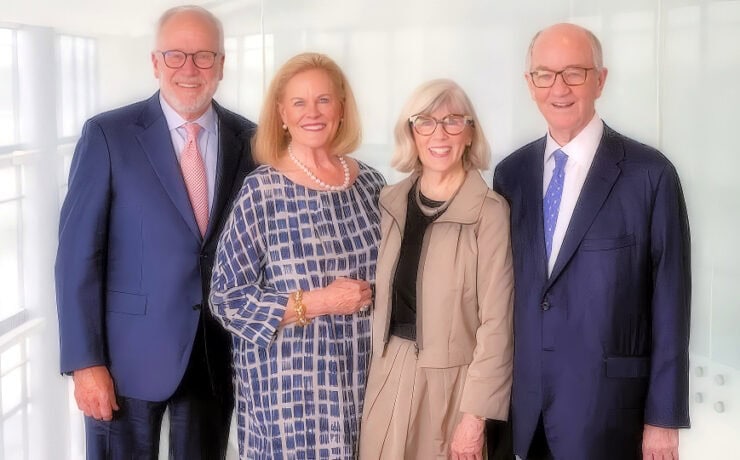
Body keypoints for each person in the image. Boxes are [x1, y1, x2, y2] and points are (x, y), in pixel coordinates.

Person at [55, 5, 256, 458]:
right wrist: (85, 362)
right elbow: (76, 258)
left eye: (204, 56)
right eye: (175, 55)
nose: (189, 68)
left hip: (215, 357)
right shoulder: (108, 135)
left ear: (221, 64)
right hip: (125, 362)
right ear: (154, 62)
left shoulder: (251, 140)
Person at [492, 23, 691, 460]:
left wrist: (663, 419)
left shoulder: (650, 174)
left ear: (600, 80)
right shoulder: (510, 175)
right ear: (530, 84)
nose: (559, 88)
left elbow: (671, 303)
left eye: (574, 73)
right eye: (545, 74)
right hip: (523, 413)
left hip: (609, 416)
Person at [208, 52, 385, 459]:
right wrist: (322, 301)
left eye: (324, 100)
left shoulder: (371, 184)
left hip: (366, 382)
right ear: (282, 114)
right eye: (299, 102)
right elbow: (227, 299)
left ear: (342, 108)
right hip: (290, 397)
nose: (313, 113)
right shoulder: (262, 190)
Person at [359, 79, 514, 459]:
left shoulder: (489, 212)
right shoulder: (388, 202)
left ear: (469, 133)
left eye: (453, 121)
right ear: (411, 133)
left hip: (453, 388)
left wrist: (474, 417)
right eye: (425, 122)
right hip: (386, 373)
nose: (439, 134)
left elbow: (497, 323)